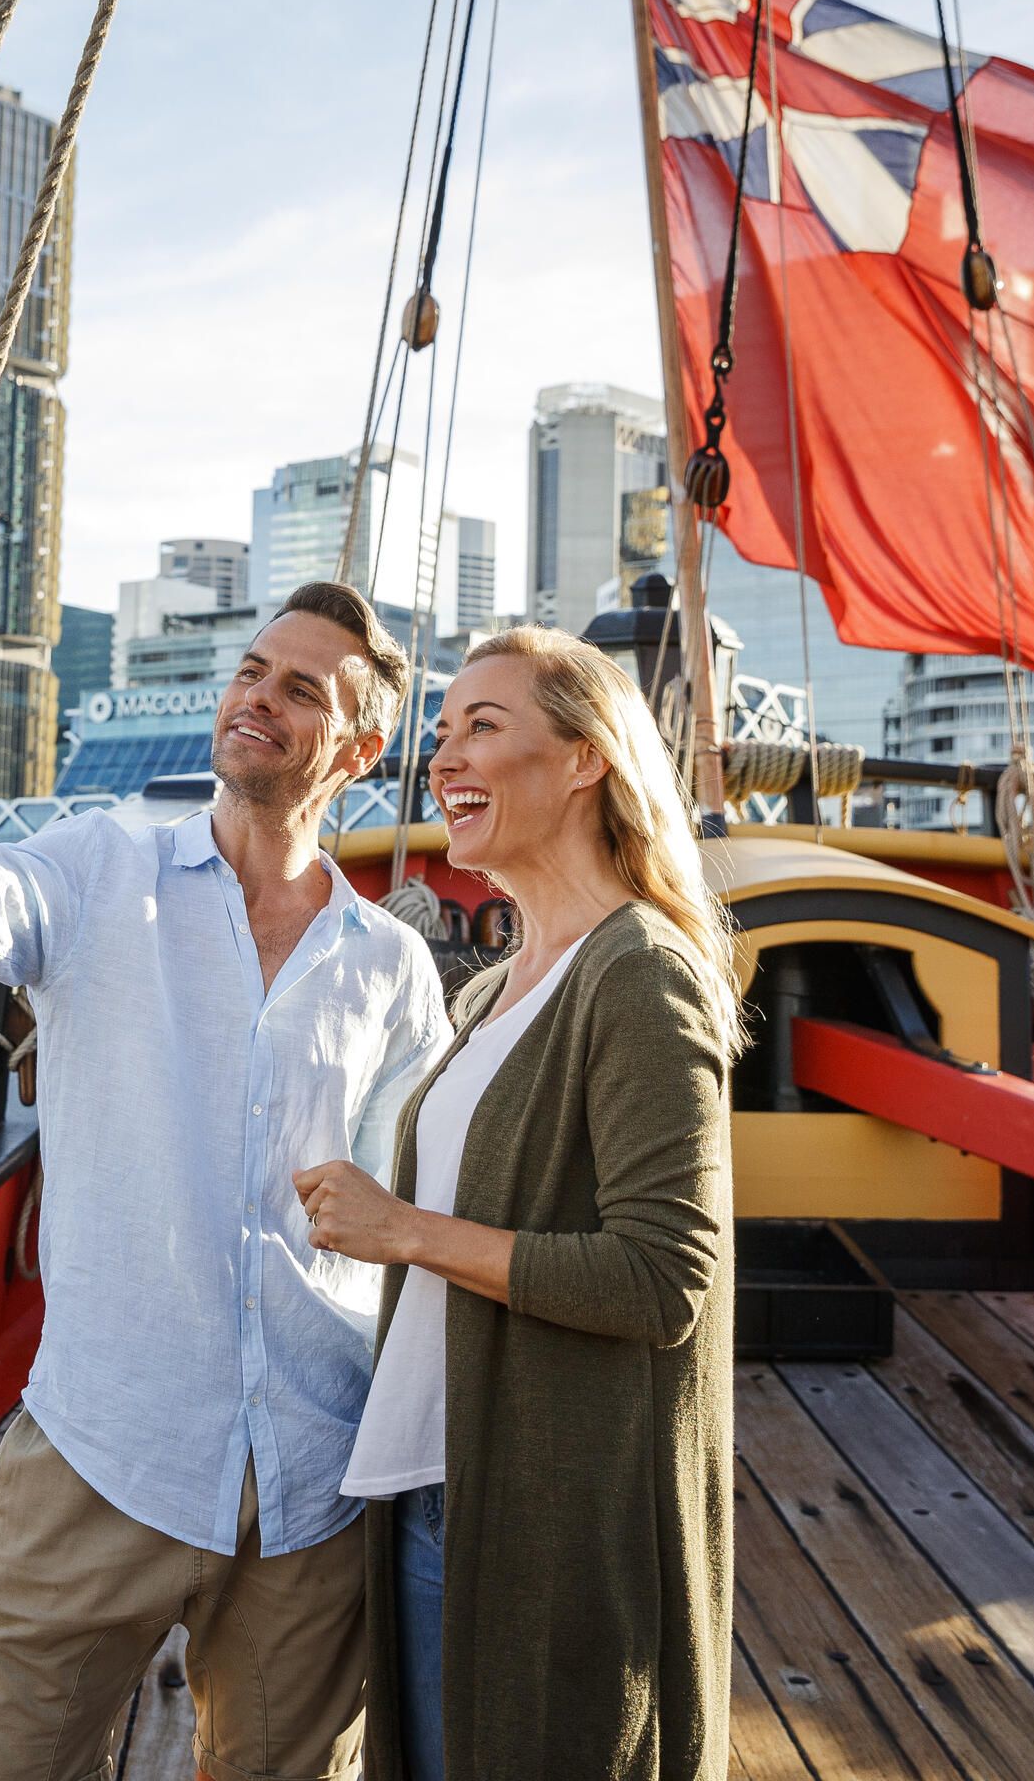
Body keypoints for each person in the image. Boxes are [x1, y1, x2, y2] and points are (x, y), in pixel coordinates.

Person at [0, 553, 450, 1781]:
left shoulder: (391, 967)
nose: (258, 696)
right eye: (250, 670)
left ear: (360, 753)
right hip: (104, 1453)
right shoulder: (100, 865)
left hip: (310, 1486)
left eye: (303, 691)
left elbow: (404, 1220)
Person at [293, 624, 742, 1781]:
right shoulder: (495, 983)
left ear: (588, 756)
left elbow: (662, 1278)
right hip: (438, 1477)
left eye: (483, 726)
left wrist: (405, 1230)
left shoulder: (639, 970)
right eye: (441, 733)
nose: (445, 758)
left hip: (538, 1510)